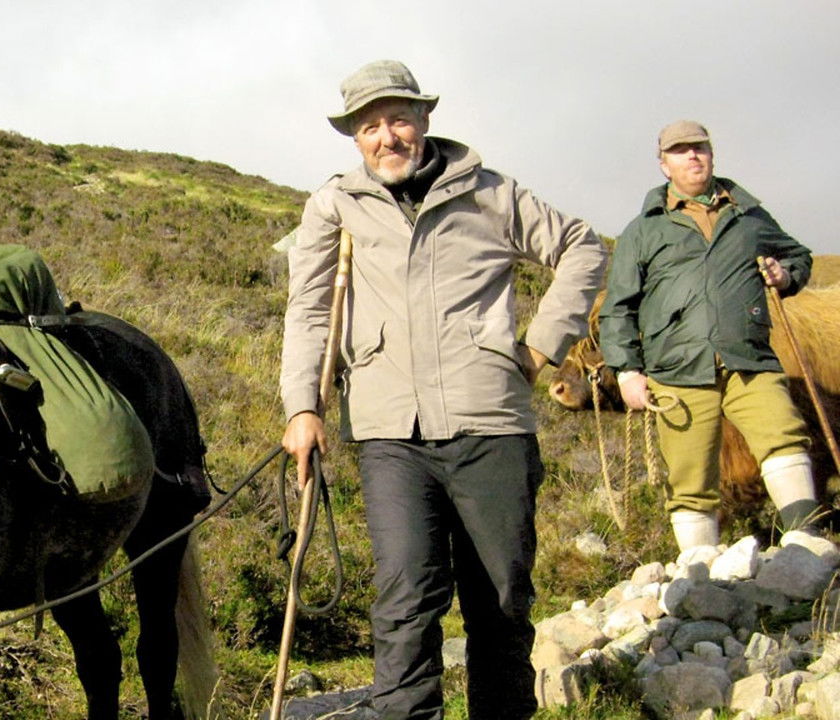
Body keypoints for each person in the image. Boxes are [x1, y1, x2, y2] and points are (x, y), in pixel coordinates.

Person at [279, 59, 606, 720]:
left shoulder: (489, 192)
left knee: (502, 596)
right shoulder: (335, 204)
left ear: (424, 120)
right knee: (404, 596)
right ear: (354, 136)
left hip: (491, 423)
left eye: (398, 118)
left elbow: (583, 247)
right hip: (389, 433)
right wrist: (303, 407)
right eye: (369, 126)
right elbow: (311, 310)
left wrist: (540, 345)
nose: (386, 136)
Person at [598, 120, 822, 550]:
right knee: (690, 476)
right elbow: (618, 308)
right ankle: (699, 576)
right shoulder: (642, 230)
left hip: (748, 360)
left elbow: (797, 255)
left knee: (784, 436)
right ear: (664, 165)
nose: (692, 156)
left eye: (699, 147)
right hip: (677, 369)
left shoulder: (748, 216)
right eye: (680, 151)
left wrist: (785, 274)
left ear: (712, 154)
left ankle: (807, 547)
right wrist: (627, 371)